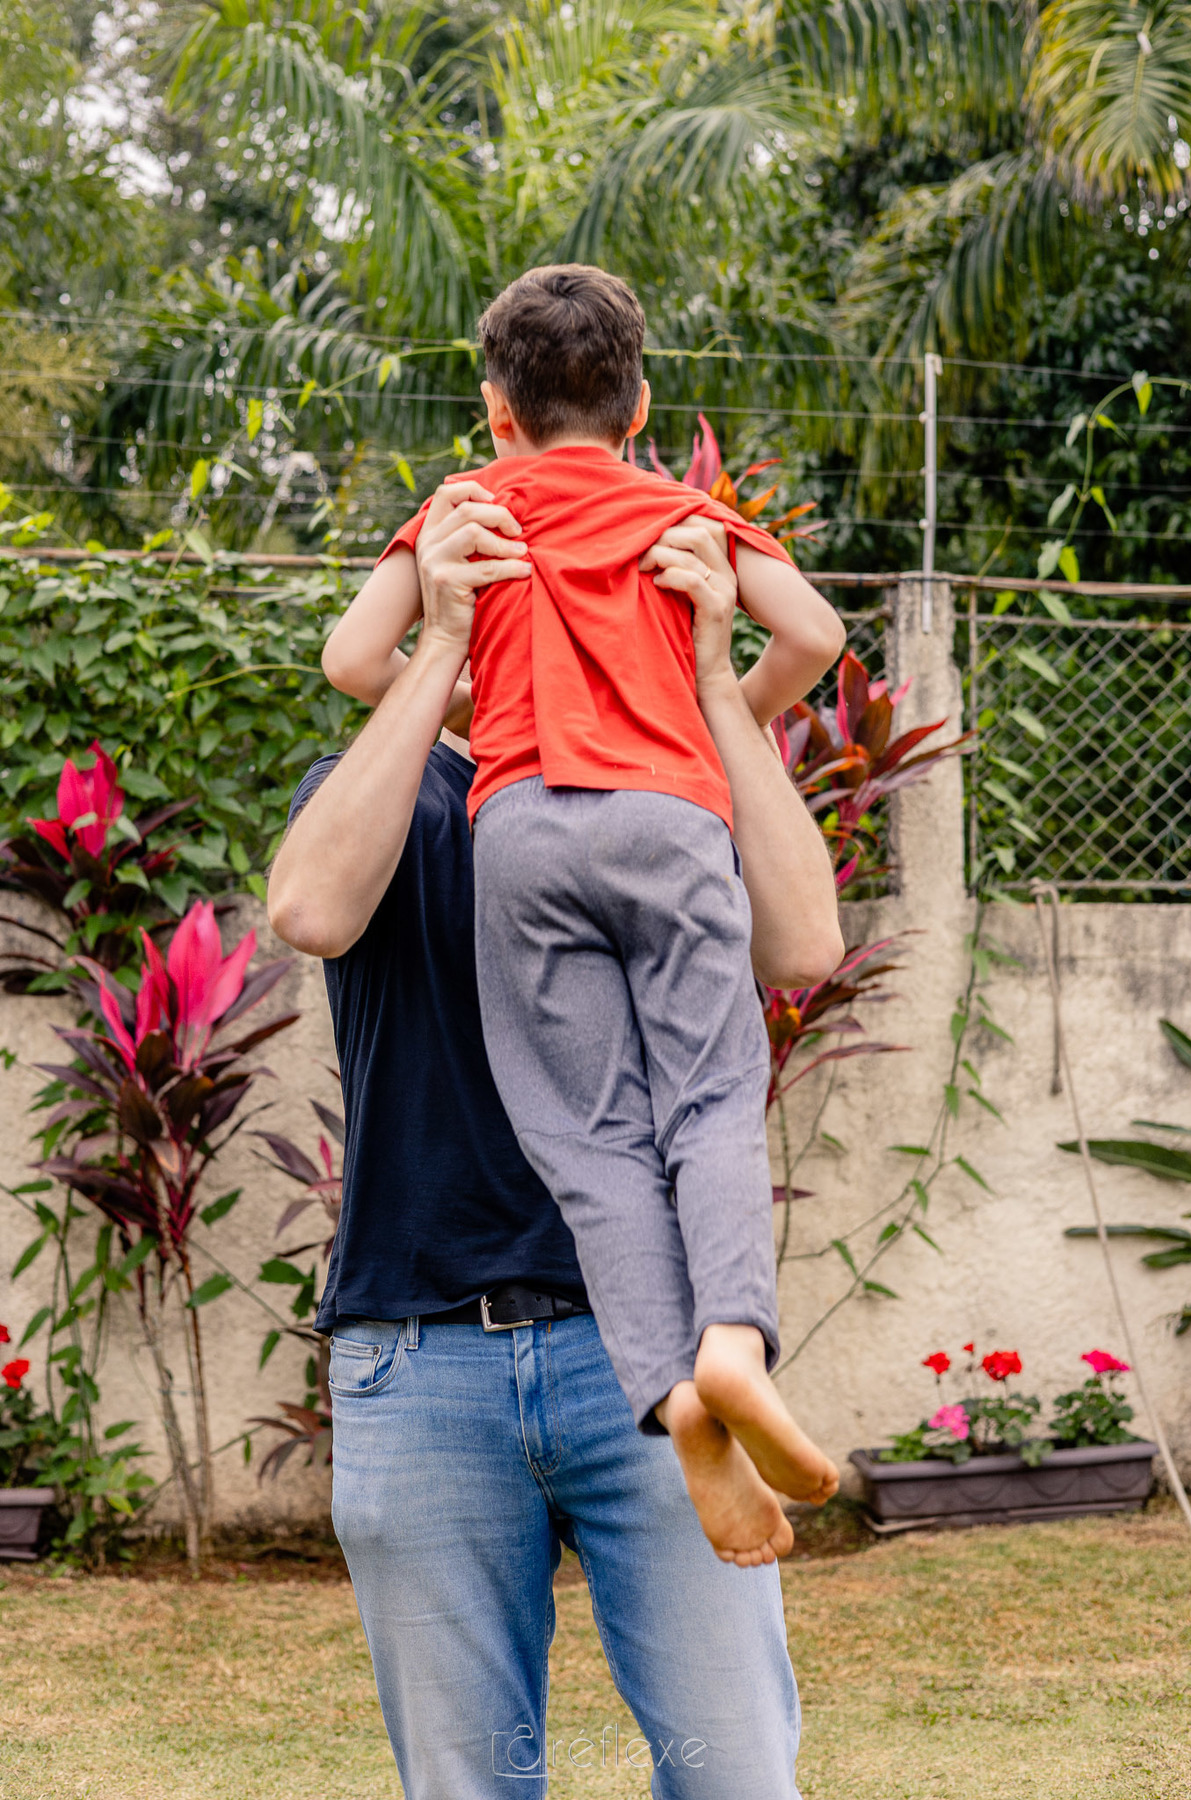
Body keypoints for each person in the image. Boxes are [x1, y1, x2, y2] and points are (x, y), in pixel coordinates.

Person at [268, 483, 843, 1798]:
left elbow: (805, 943)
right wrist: (444, 654)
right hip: (420, 1361)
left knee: (738, 1776)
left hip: (641, 1359)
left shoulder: (669, 791)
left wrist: (712, 687)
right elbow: (310, 909)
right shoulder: (391, 786)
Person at [320, 264, 844, 1562]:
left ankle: (672, 1393)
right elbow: (815, 636)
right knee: (707, 1098)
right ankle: (731, 1343)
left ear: (496, 409)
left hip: (520, 831)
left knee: (585, 1133)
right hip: (671, 820)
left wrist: (475, 695)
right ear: (640, 405)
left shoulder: (467, 511)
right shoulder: (684, 514)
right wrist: (718, 704)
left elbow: (351, 660)